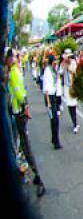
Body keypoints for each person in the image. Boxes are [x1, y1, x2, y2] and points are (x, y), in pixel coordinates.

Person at [6, 49, 46, 197]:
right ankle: (30, 174)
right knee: (20, 145)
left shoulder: (12, 73)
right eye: (15, 56)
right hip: (17, 112)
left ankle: (37, 178)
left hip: (18, 113)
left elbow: (19, 92)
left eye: (16, 56)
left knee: (24, 145)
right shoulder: (12, 71)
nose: (16, 58)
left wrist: (24, 106)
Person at [41, 54, 62, 150]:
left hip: (54, 96)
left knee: (55, 120)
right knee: (54, 120)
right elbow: (45, 88)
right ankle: (56, 141)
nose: (55, 64)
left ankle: (54, 139)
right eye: (54, 62)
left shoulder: (53, 70)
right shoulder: (47, 71)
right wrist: (48, 103)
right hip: (49, 97)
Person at [60, 49, 79, 134]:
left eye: (68, 56)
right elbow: (60, 73)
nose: (67, 58)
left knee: (73, 105)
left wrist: (69, 68)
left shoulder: (73, 62)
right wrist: (64, 65)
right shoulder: (63, 64)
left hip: (72, 86)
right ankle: (74, 122)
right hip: (66, 86)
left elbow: (75, 72)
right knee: (69, 105)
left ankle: (75, 123)